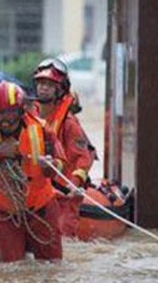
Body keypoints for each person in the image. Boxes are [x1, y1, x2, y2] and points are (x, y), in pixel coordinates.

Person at [0, 81, 66, 263]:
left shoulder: (42, 129)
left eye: (10, 114)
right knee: (11, 267)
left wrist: (50, 167)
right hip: (5, 212)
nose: (4, 121)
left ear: (21, 111)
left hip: (41, 208)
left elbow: (61, 164)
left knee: (52, 264)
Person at [32, 57, 95, 237]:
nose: (43, 88)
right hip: (36, 189)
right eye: (41, 83)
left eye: (49, 85)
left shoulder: (69, 124)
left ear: (59, 90)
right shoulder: (28, 117)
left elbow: (83, 160)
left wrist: (73, 186)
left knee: (62, 236)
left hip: (64, 193)